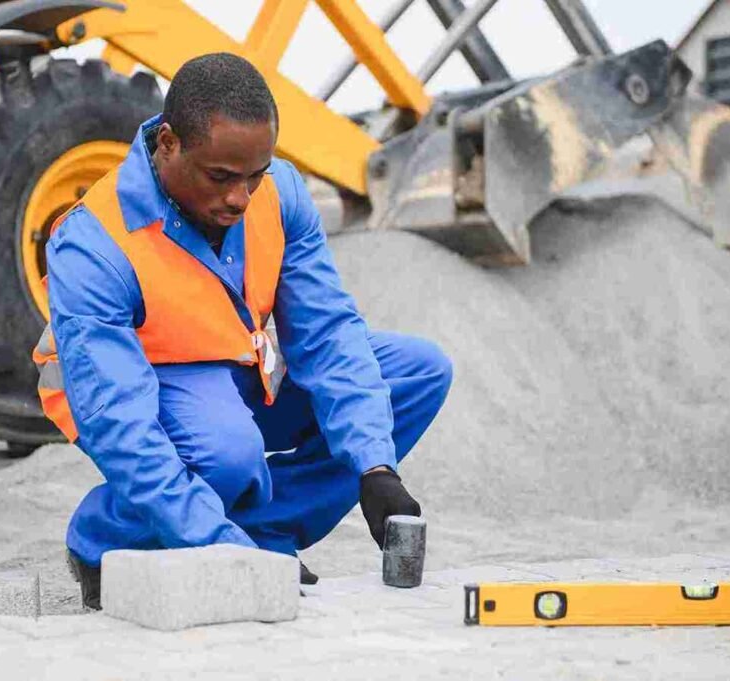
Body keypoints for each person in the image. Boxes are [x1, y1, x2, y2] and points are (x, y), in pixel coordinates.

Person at [32, 52, 452, 610]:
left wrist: (375, 465)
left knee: (416, 373)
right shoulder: (93, 243)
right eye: (221, 177)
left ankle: (265, 529)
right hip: (138, 390)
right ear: (167, 144)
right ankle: (102, 536)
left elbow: (327, 333)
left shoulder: (277, 192)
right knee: (227, 452)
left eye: (254, 176)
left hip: (241, 367)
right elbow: (119, 423)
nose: (240, 198)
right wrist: (225, 550)